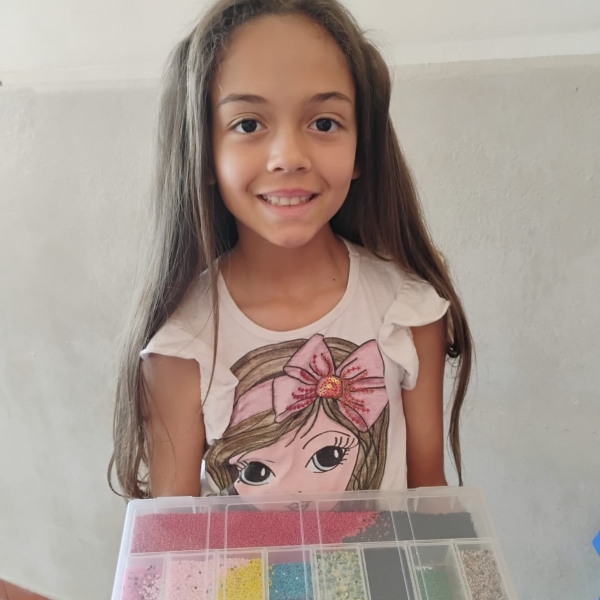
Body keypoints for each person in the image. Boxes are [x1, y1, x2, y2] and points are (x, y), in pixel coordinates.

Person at [109, 0, 473, 500]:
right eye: (248, 124)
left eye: (323, 123)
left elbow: (429, 495)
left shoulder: (408, 313)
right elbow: (175, 530)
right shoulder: (181, 343)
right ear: (204, 153)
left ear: (361, 149)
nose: (288, 158)